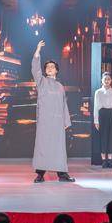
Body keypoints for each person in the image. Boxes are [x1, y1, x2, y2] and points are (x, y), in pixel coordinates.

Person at [31, 40, 74, 183]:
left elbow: (64, 105)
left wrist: (66, 121)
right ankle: (40, 175)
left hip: (57, 122)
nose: (49, 68)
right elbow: (35, 69)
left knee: (59, 148)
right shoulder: (41, 82)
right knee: (42, 147)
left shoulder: (60, 86)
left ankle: (62, 175)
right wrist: (38, 51)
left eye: (52, 67)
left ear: (56, 70)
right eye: (47, 67)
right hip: (44, 121)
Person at [93, 71, 112, 168]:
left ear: (111, 80)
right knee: (103, 137)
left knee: (111, 137)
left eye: (108, 79)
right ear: (102, 80)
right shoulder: (98, 92)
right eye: (105, 79)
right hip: (102, 114)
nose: (107, 81)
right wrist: (96, 120)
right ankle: (104, 161)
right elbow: (96, 107)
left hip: (111, 114)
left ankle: (109, 160)